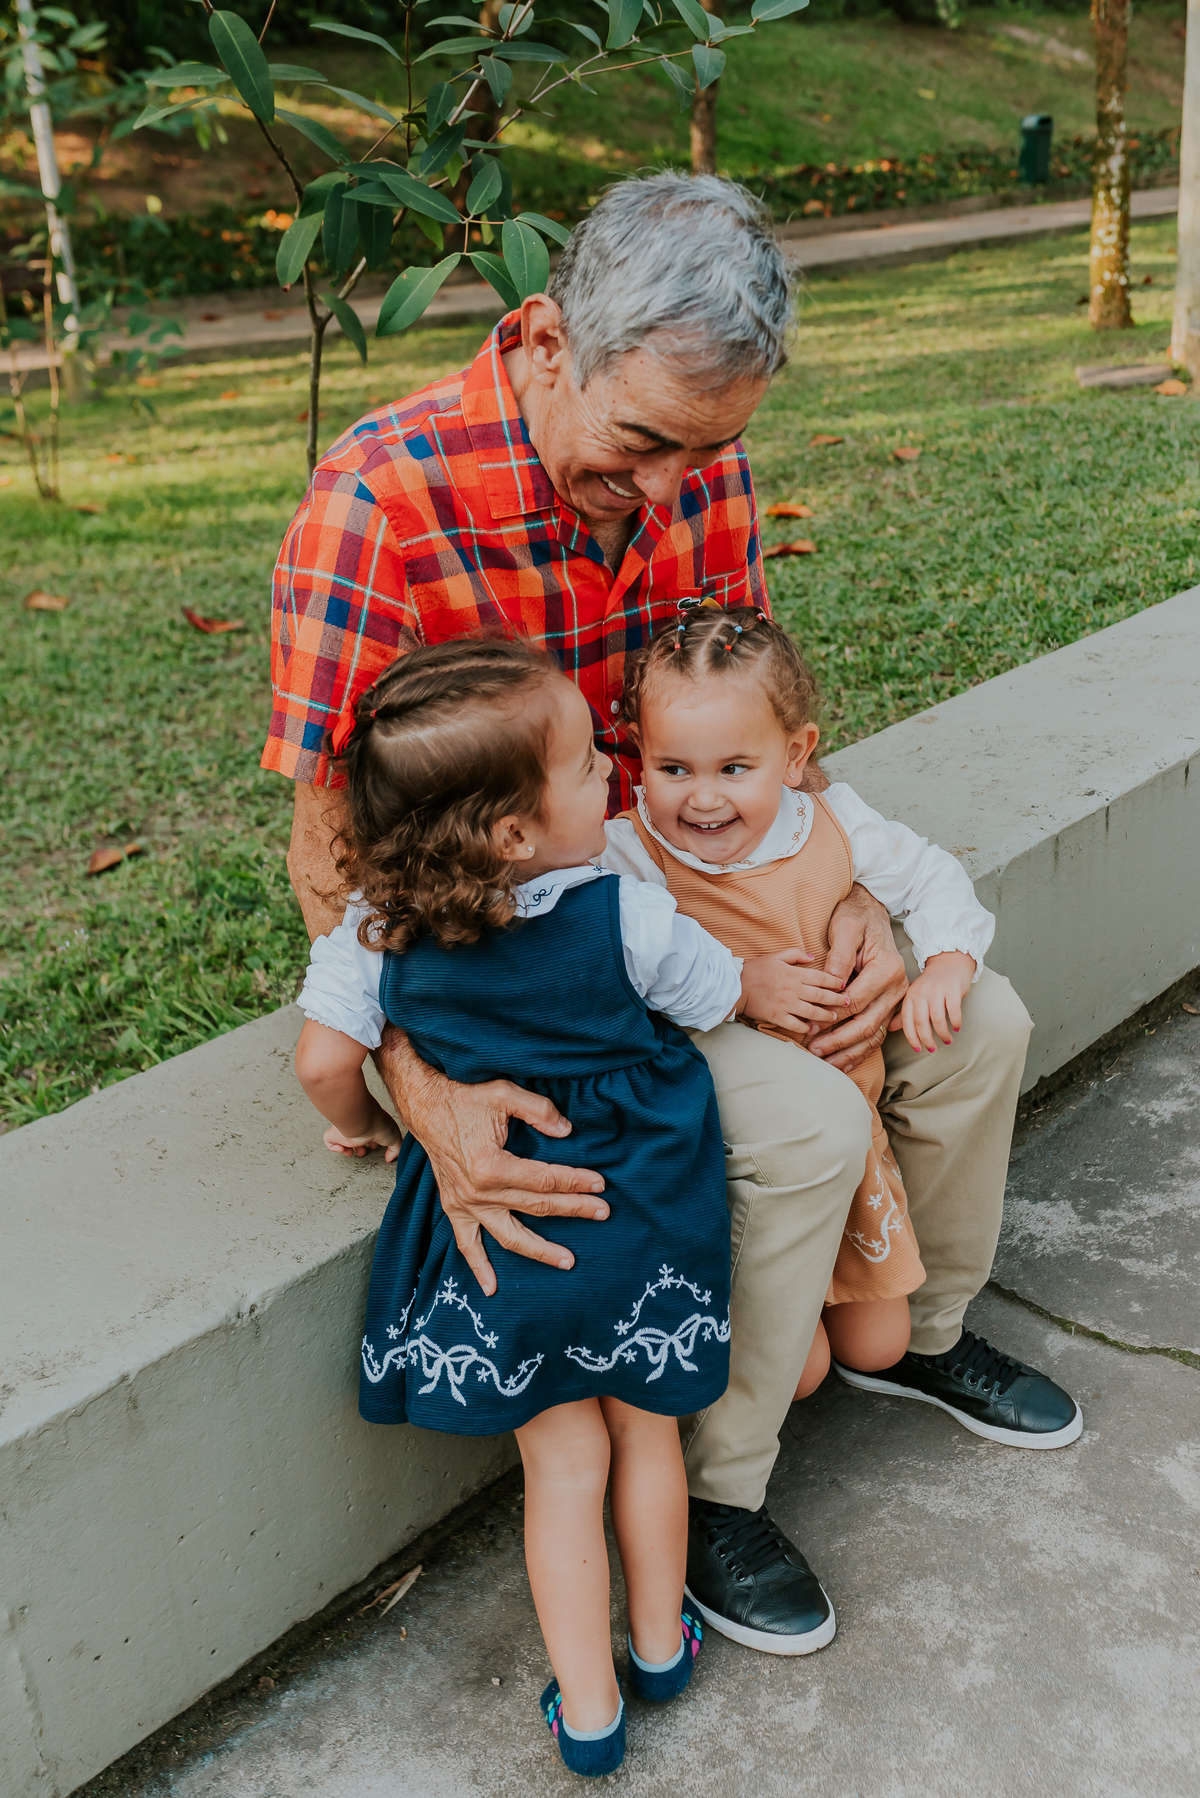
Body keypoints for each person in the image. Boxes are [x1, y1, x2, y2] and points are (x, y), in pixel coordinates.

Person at [266, 170, 1080, 1661]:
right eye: (640, 444)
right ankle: (712, 1487)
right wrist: (424, 1085)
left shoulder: (702, 460)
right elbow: (335, 856)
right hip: (554, 977)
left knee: (981, 1025)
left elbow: (756, 718)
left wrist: (862, 911)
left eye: (706, 451)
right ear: (547, 339)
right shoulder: (378, 505)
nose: (671, 489)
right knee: (805, 1126)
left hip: (699, 888)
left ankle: (927, 1330)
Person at [293, 637, 805, 1774]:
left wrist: (380, 1124)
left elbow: (325, 1061)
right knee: (648, 1434)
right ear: (515, 833)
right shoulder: (625, 916)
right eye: (585, 767)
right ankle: (664, 1645)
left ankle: (588, 1711)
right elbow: (717, 993)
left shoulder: (373, 933)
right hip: (642, 1216)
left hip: (511, 1237)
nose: (613, 776)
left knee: (561, 1466)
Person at [606, 602, 1083, 1473]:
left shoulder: (827, 819)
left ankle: (925, 1340)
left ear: (797, 755)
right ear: (637, 756)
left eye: (735, 767)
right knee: (805, 1371)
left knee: (875, 1340)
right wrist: (737, 985)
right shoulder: (630, 856)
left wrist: (943, 962)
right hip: (749, 1123)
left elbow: (931, 873)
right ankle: (718, 1484)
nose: (701, 796)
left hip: (849, 1108)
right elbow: (603, 970)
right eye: (671, 767)